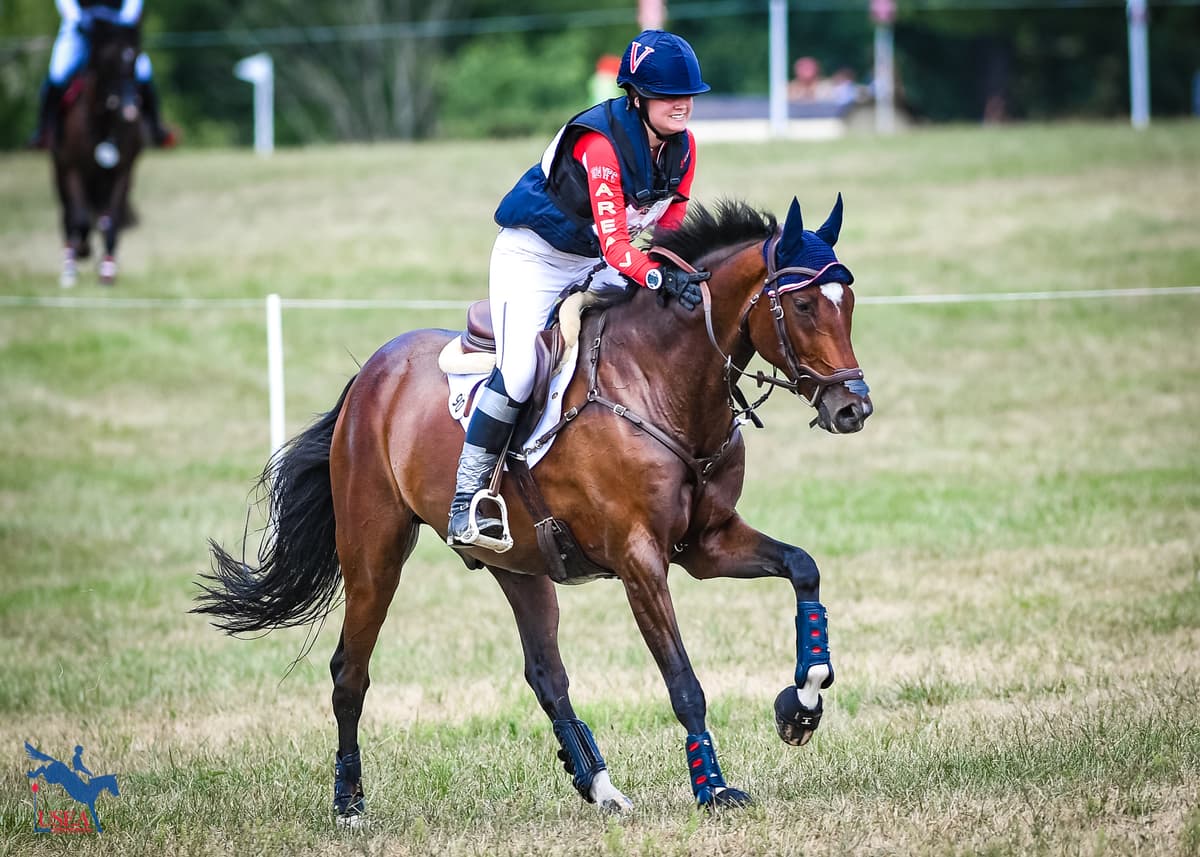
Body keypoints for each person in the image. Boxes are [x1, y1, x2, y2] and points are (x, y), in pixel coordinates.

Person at [447, 29, 713, 548]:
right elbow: (618, 247)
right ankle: (466, 500)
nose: (682, 104)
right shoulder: (600, 144)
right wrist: (657, 276)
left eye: (688, 94)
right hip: (535, 258)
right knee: (520, 370)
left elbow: (667, 230)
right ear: (636, 98)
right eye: (667, 95)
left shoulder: (683, 149)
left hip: (596, 260)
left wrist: (672, 271)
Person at [29, 0, 177, 149]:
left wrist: (124, 20)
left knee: (143, 71)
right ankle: (44, 131)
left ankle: (155, 128)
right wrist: (77, 18)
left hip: (117, 30)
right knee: (58, 73)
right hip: (81, 29)